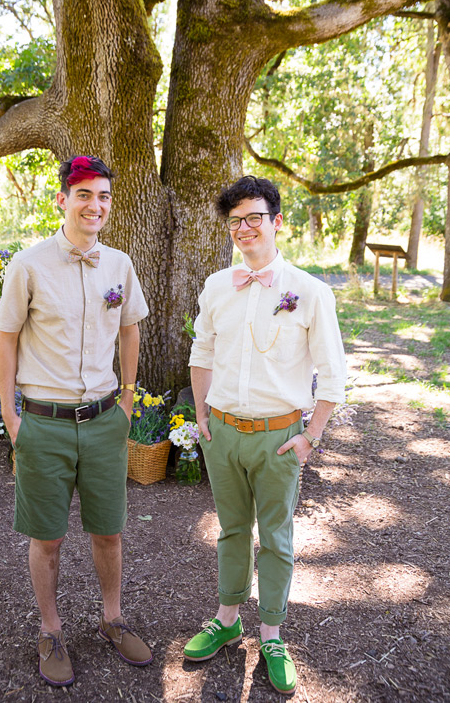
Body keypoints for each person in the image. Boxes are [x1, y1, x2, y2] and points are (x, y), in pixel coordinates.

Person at [0, 155, 152, 687]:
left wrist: (128, 399)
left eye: (103, 196)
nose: (95, 205)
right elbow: (6, 338)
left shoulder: (120, 266)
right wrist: (11, 415)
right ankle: (51, 628)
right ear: (62, 199)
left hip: (106, 419)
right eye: (84, 194)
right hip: (44, 422)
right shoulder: (29, 265)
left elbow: (130, 329)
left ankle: (112, 619)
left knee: (109, 533)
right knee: (49, 539)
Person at [184, 175, 346, 695]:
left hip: (280, 438)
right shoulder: (215, 286)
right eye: (236, 220)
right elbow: (201, 354)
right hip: (223, 434)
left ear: (277, 222)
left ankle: (272, 636)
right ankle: (227, 618)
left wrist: (310, 437)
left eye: (255, 217)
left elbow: (333, 374)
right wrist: (204, 419)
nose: (245, 228)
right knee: (231, 530)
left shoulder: (311, 292)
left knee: (275, 538)